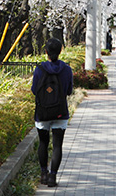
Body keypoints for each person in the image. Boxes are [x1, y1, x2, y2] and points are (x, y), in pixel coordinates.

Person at [31, 38, 73, 188]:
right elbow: (69, 91)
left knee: (43, 143)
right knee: (57, 145)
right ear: (60, 51)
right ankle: (53, 177)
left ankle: (43, 174)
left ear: (46, 51)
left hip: (43, 112)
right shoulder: (66, 69)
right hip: (60, 111)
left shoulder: (39, 69)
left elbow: (34, 90)